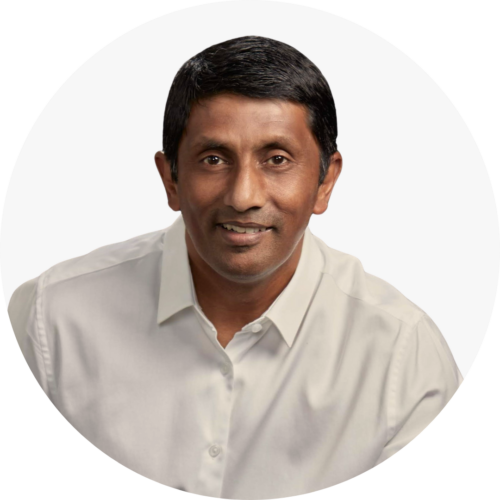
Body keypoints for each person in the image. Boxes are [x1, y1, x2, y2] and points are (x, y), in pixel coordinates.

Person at [7, 36, 463, 498]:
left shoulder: (403, 358)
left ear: (325, 181)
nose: (243, 196)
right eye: (213, 159)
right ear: (171, 179)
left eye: (277, 159)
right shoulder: (52, 320)